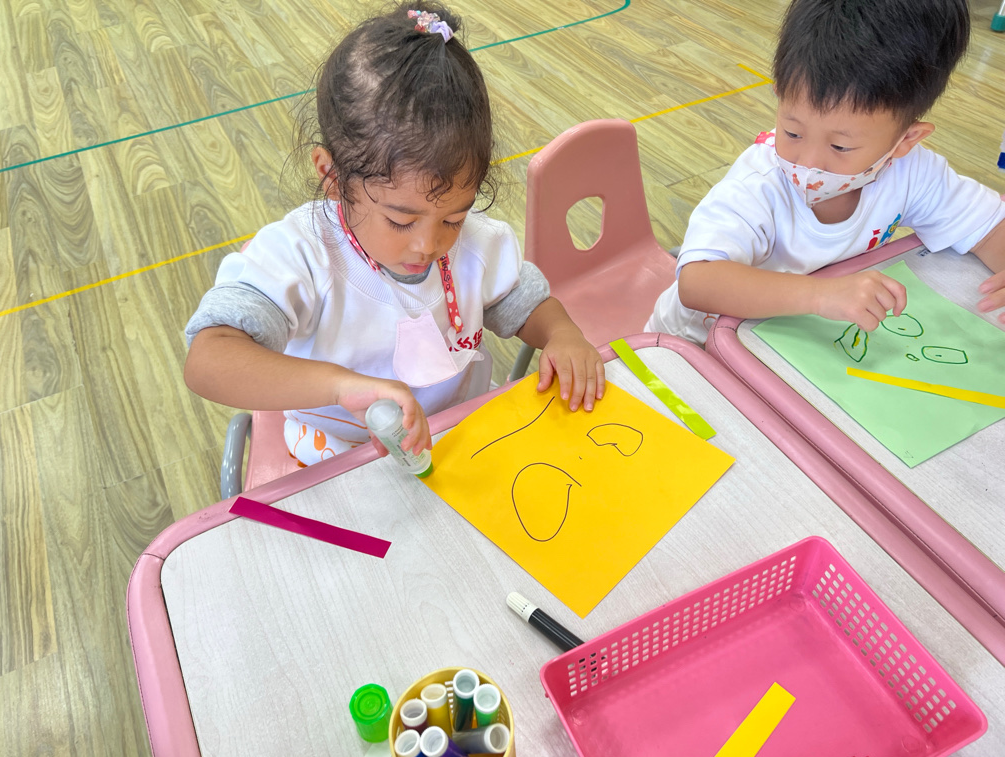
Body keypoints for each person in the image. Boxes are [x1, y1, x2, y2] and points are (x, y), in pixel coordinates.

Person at [184, 3, 605, 465]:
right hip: (339, 452)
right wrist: (340, 387)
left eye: (453, 218)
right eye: (401, 221)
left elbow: (526, 305)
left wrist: (561, 333)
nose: (428, 245)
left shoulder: (477, 245)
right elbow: (209, 361)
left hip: (457, 435)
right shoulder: (303, 255)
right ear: (332, 176)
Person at [646, 0, 1005, 345]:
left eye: (840, 147)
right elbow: (698, 282)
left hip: (790, 341)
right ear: (780, 96)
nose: (809, 161)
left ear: (905, 140)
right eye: (793, 132)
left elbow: (989, 228)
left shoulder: (912, 172)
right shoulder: (759, 184)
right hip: (691, 344)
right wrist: (820, 295)